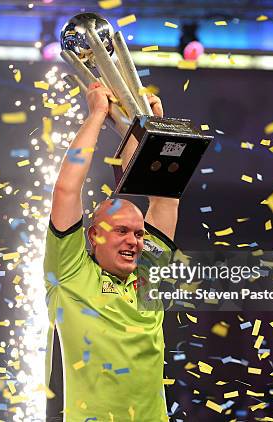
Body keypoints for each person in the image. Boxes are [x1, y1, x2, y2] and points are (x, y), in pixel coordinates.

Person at [43, 81, 180, 421]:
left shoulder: (148, 275)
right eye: (121, 231)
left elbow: (164, 197)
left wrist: (147, 130)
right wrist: (97, 115)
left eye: (138, 233)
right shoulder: (70, 273)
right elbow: (65, 190)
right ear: (93, 235)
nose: (134, 241)